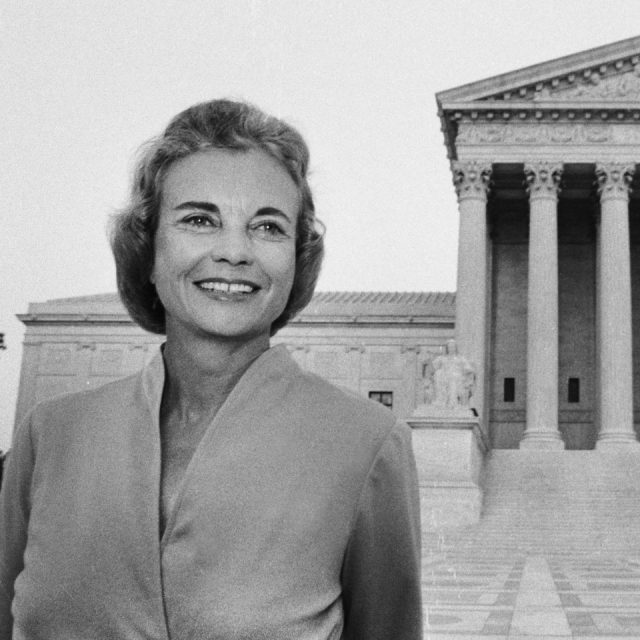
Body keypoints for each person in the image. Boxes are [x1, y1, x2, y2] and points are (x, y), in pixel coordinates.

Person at [0, 99, 422, 639]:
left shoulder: (367, 444)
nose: (233, 251)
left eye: (267, 227)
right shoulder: (51, 435)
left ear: (296, 260)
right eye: (199, 219)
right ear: (148, 247)